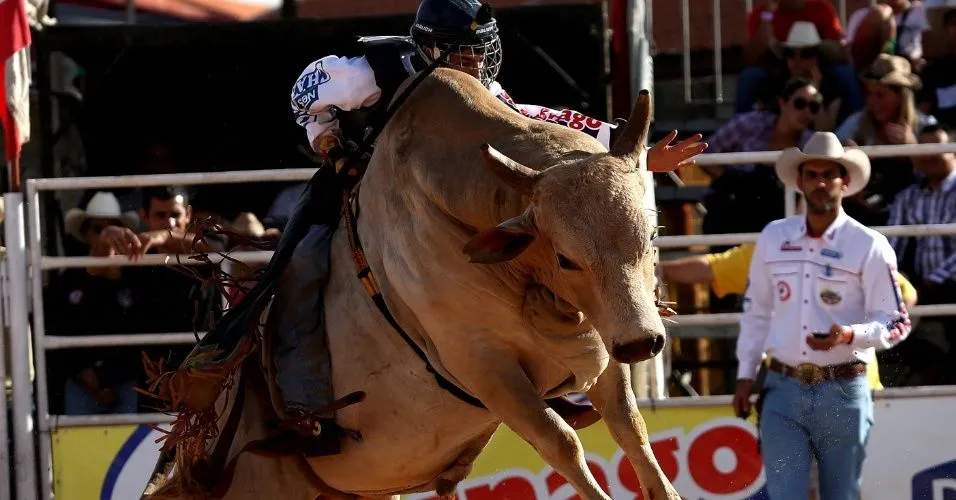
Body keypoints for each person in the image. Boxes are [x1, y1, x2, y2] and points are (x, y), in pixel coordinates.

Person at [145, 0, 705, 458]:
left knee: (525, 260)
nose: (470, 62)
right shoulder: (375, 72)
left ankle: (546, 380)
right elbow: (308, 94)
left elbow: (540, 123)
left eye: (477, 50)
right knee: (301, 265)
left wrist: (624, 143)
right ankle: (291, 392)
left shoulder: (486, 96)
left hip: (434, 218)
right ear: (428, 49)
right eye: (459, 51)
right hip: (356, 195)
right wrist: (333, 146)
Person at [732, 131, 912, 499]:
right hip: (782, 387)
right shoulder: (773, 237)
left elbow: (896, 321)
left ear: (845, 182)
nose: (820, 183)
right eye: (812, 175)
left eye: (828, 175)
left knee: (841, 495)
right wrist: (745, 374)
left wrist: (850, 335)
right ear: (799, 181)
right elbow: (757, 312)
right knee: (784, 494)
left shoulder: (869, 245)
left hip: (843, 387)